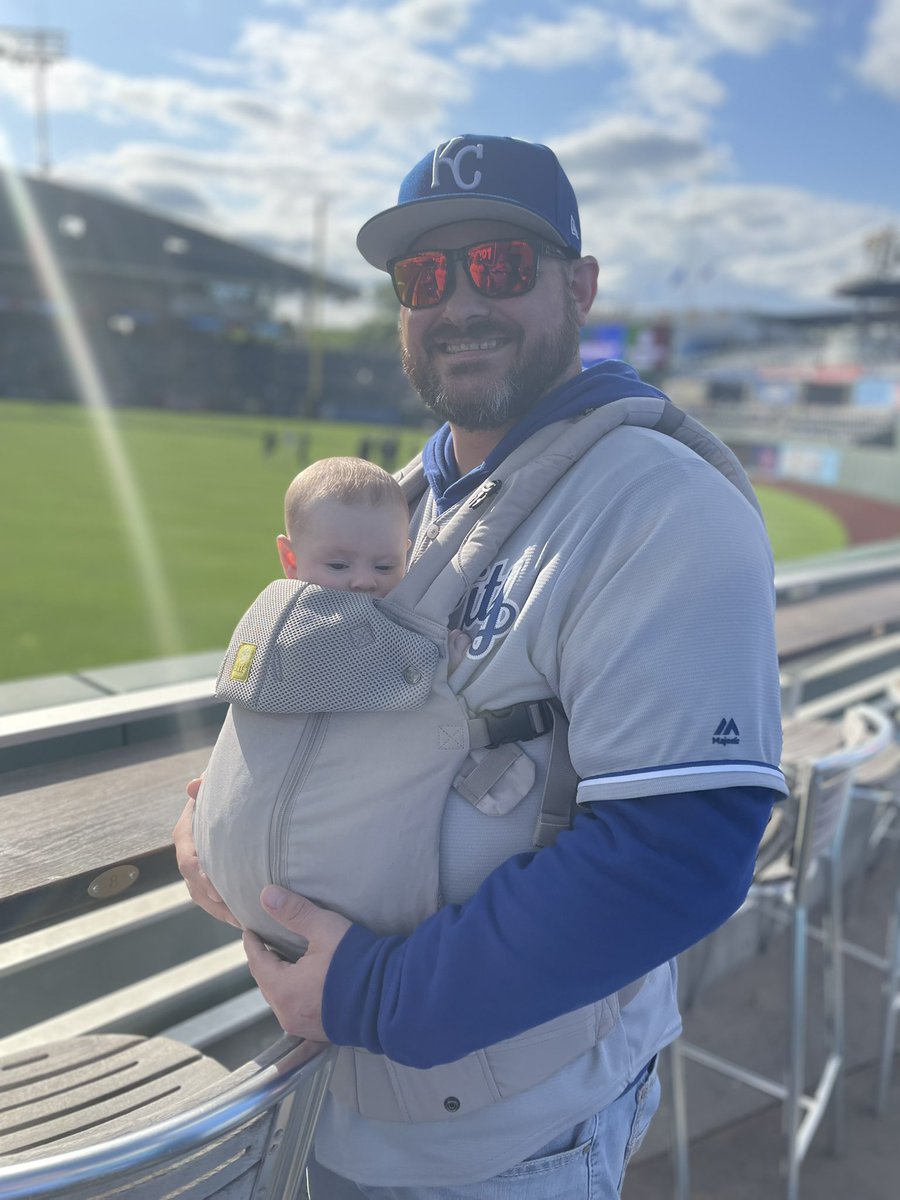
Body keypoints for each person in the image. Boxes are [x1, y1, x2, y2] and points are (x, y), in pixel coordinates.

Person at [174, 134, 788, 1198]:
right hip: (335, 1095)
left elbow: (676, 854)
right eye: (424, 276)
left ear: (579, 285)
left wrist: (372, 992)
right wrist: (213, 823)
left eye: (498, 264)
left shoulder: (660, 504)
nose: (459, 300)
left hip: (507, 1144)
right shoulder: (398, 507)